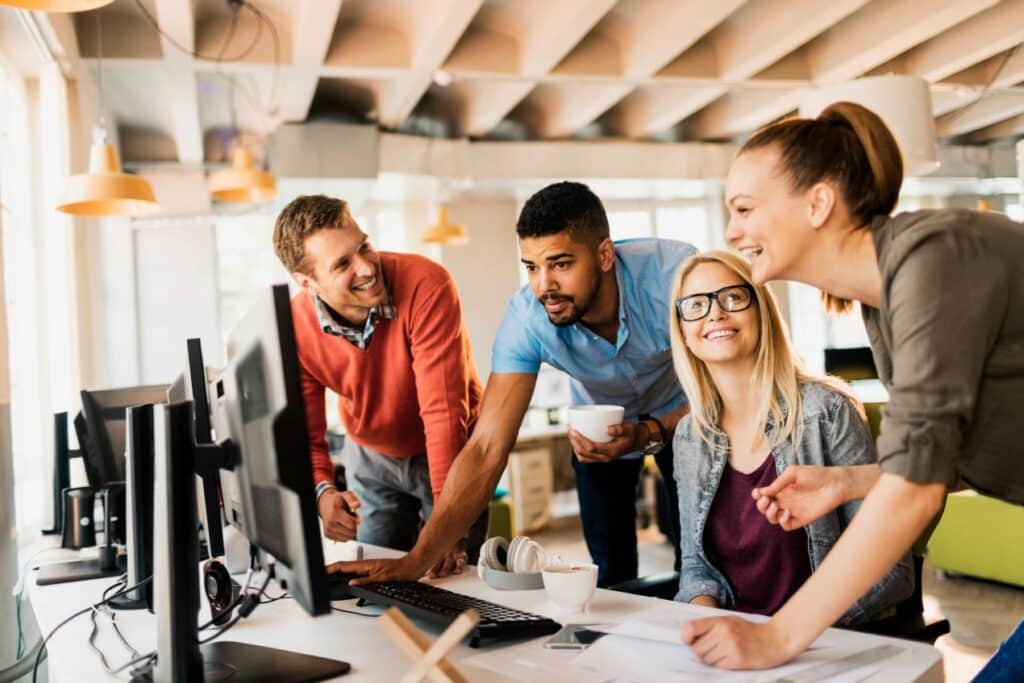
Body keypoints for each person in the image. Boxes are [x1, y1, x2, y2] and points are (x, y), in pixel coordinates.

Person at [679, 101, 1024, 672]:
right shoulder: (883, 303)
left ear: (818, 203)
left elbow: (917, 491)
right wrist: (850, 480)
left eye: (744, 208)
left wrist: (777, 637)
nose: (733, 230)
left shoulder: (932, 262)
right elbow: (956, 451)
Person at [338, 181, 696, 587]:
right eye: (531, 267)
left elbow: (737, 391)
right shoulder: (527, 318)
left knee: (698, 560)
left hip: (687, 418)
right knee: (610, 574)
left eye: (561, 264)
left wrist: (649, 432)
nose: (543, 286)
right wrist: (419, 558)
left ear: (604, 255)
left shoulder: (676, 277)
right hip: (598, 438)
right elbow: (487, 447)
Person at [669, 250, 912, 624]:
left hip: (822, 639)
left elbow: (889, 567)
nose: (715, 313)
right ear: (683, 332)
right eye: (696, 305)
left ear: (762, 311)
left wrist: (785, 634)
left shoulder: (827, 411)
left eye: (733, 298)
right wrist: (710, 626)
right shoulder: (690, 436)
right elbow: (696, 569)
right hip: (738, 647)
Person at [273, 194, 486, 575]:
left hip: (451, 451)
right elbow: (306, 431)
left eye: (364, 247)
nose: (367, 268)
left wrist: (449, 523)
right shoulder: (293, 327)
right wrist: (323, 492)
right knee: (376, 580)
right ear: (307, 282)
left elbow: (443, 413)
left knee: (457, 578)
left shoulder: (425, 284)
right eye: (342, 264)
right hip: (371, 458)